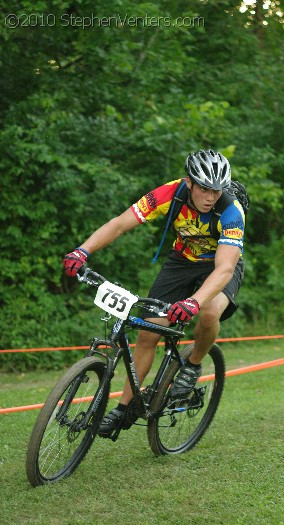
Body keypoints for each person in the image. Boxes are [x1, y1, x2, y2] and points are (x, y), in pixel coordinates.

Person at [63, 149, 245, 436]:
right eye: (204, 189)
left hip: (221, 266)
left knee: (209, 311)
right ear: (190, 183)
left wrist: (193, 302)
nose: (211, 196)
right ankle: (124, 407)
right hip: (181, 262)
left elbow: (224, 269)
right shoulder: (169, 194)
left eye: (216, 190)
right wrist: (82, 250)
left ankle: (193, 364)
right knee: (148, 332)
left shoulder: (232, 212)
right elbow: (121, 223)